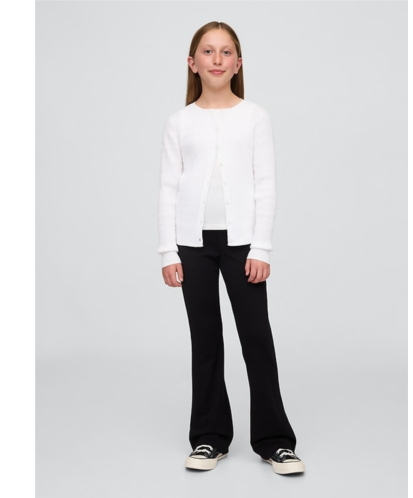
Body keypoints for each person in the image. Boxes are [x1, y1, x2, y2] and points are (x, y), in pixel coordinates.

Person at [157, 21, 305, 476]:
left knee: (256, 338)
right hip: (192, 245)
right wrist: (168, 251)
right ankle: (209, 437)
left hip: (243, 244)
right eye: (208, 51)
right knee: (205, 340)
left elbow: (266, 185)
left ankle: (275, 441)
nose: (217, 59)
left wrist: (262, 247)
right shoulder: (179, 122)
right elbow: (168, 188)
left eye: (226, 52)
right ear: (192, 63)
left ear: (238, 64)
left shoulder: (255, 117)